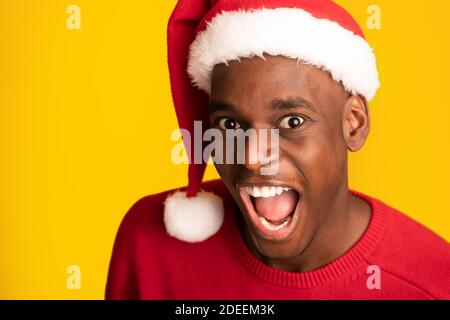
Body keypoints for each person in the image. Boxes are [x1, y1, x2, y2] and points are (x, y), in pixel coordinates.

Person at [105, 0, 450, 300]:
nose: (253, 157)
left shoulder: (433, 284)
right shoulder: (149, 244)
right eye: (230, 125)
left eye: (292, 122)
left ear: (354, 123)